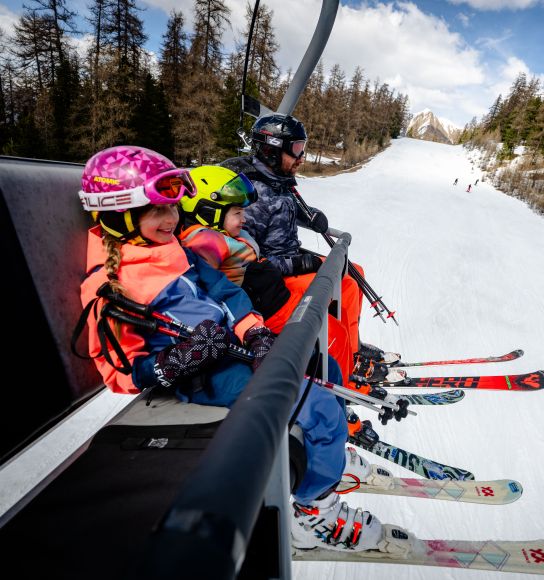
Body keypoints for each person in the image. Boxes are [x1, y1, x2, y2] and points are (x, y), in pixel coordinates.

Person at [76, 145, 405, 554]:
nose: (171, 219)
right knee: (318, 405)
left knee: (325, 370)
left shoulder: (170, 250)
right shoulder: (111, 288)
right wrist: (179, 359)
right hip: (203, 378)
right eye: (157, 210)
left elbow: (225, 290)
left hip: (235, 351)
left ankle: (330, 452)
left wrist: (254, 331)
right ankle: (314, 514)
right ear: (117, 213)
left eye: (173, 208)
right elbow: (119, 372)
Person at [220, 113, 389, 378]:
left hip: (290, 259)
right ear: (272, 149)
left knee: (353, 273)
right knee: (334, 307)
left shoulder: (277, 179)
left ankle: (352, 350)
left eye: (302, 148)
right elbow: (248, 260)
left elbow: (284, 208)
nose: (301, 158)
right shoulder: (250, 196)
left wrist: (309, 215)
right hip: (274, 276)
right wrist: (299, 263)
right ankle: (343, 367)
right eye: (296, 149)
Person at [178, 165, 353, 387]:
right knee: (331, 333)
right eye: (237, 213)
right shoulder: (206, 242)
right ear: (208, 211)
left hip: (274, 297)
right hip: (265, 311)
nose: (244, 219)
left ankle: (346, 372)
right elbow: (206, 290)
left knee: (331, 313)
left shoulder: (224, 233)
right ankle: (341, 389)